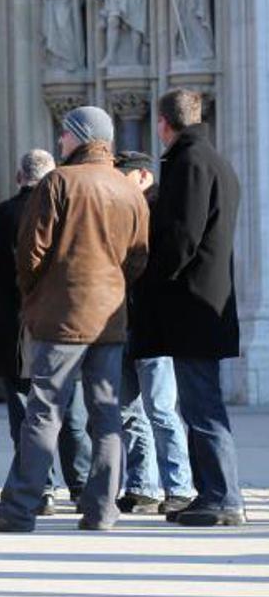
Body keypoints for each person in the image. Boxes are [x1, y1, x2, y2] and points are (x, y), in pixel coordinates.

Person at [0, 106, 148, 532]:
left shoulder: (59, 182)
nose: (60, 141)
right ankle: (101, 509)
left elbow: (31, 252)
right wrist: (115, 288)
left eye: (65, 134)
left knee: (44, 411)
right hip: (110, 318)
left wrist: (34, 294)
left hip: (62, 316)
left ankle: (20, 506)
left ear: (80, 136)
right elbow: (139, 258)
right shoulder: (127, 190)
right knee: (106, 415)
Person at [131, 88, 245, 526]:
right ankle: (213, 493)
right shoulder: (213, 160)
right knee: (200, 403)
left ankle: (222, 496)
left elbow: (183, 236)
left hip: (192, 303)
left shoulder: (189, 163)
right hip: (206, 300)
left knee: (201, 405)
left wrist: (149, 276)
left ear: (163, 123)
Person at [0, 149, 90, 512]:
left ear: (18, 176)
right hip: (61, 321)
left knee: (24, 409)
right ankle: (81, 484)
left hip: (13, 325)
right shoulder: (69, 213)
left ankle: (40, 487)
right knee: (70, 407)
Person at [112, 150, 197, 515]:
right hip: (123, 322)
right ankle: (142, 486)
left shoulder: (158, 212)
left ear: (143, 176)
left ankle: (179, 486)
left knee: (161, 409)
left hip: (153, 326)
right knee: (130, 412)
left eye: (123, 177)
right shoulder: (124, 211)